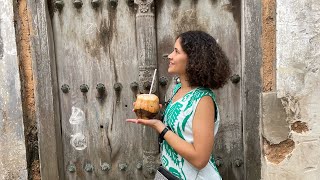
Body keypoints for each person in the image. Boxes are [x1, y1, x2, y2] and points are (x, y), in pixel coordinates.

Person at [127, 30, 231, 180]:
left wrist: (160, 127)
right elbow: (181, 129)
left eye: (176, 51)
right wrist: (152, 114)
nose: (170, 56)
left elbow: (200, 159)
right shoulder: (178, 89)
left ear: (193, 60)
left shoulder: (203, 100)